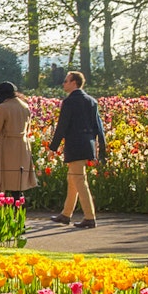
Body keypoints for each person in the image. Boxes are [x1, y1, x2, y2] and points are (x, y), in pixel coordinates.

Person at [48, 71, 107, 228]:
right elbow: (98, 127)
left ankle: (89, 217)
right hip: (88, 143)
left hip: (74, 144)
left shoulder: (69, 102)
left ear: (74, 82)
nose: (64, 84)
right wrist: (102, 149)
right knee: (72, 178)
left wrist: (53, 147)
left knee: (80, 181)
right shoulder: (91, 101)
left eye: (66, 81)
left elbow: (62, 126)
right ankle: (66, 214)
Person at [0, 81, 38, 201]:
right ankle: (18, 204)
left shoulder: (3, 108)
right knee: (17, 179)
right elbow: (28, 128)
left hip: (7, 145)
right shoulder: (25, 106)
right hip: (23, 145)